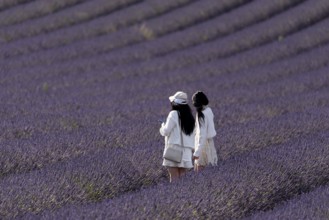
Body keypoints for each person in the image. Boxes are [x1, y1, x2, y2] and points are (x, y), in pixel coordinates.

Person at [160, 91, 195, 182]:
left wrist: (162, 126)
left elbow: (166, 131)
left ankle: (174, 196)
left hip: (174, 148)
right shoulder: (190, 116)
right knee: (183, 177)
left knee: (174, 176)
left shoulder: (173, 114)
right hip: (186, 150)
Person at [192, 91, 218, 172]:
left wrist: (197, 153)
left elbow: (202, 135)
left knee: (199, 172)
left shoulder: (201, 115)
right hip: (210, 143)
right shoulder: (209, 110)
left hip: (203, 146)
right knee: (211, 170)